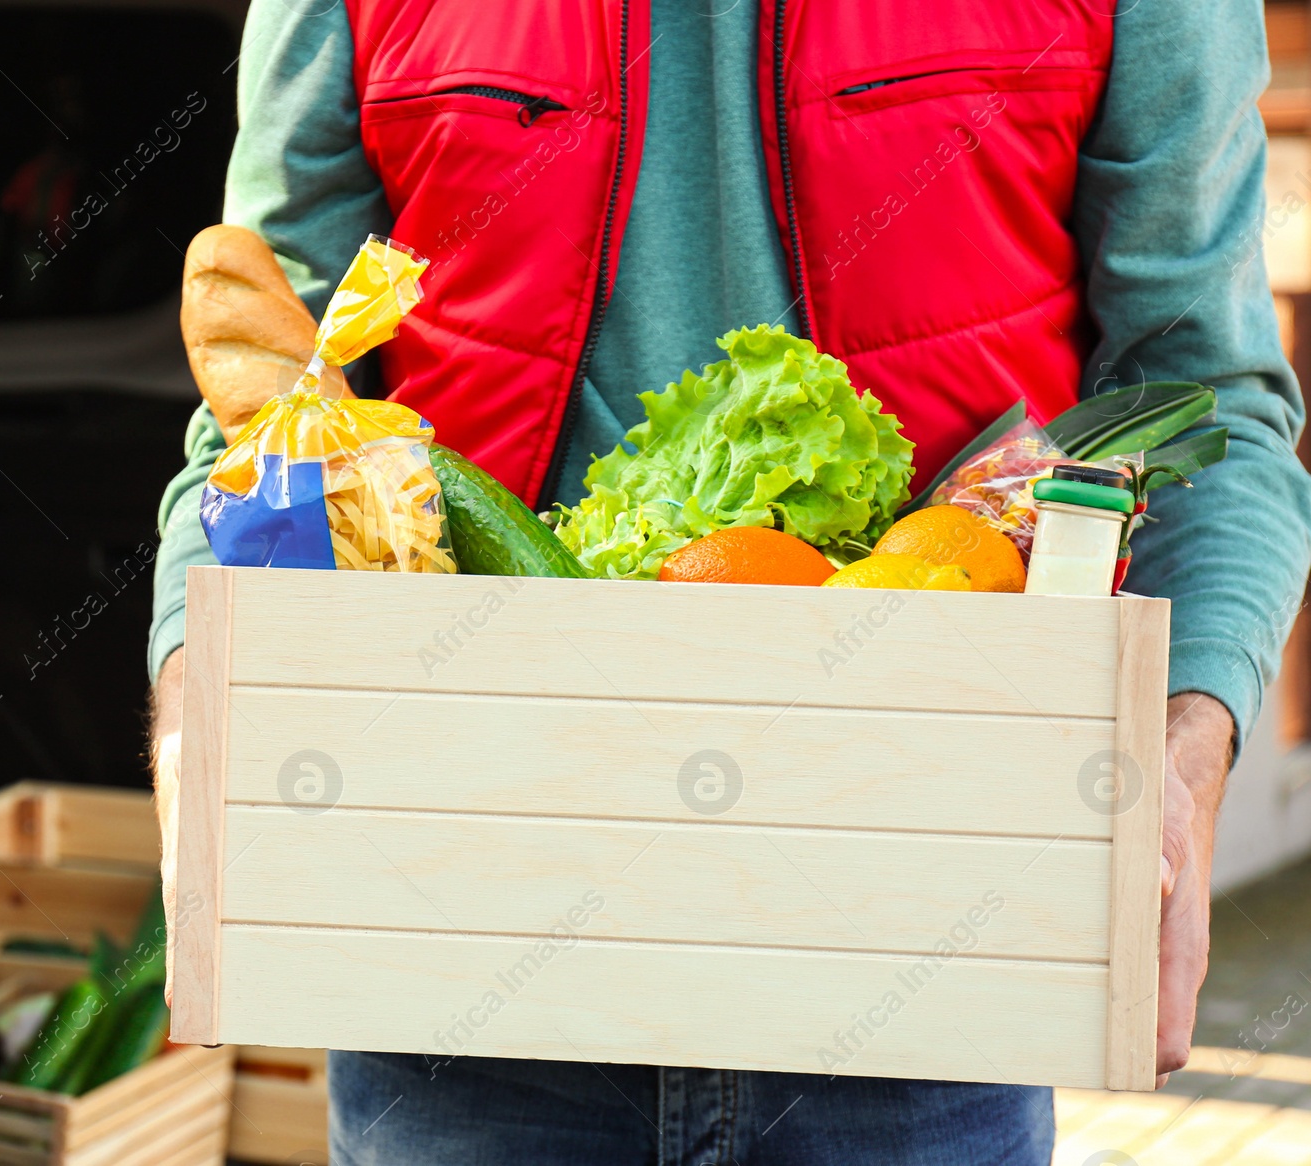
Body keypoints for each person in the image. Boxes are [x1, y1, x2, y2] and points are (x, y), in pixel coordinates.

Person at [147, 1, 1311, 1161]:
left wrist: (1183, 751)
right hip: (465, 968)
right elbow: (273, 415)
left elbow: (1207, 397)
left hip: (921, 959)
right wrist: (196, 714)